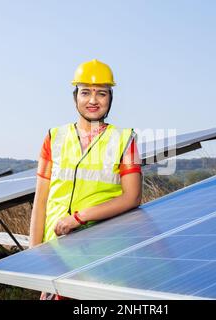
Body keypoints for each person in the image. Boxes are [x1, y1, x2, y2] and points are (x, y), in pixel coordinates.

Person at [28, 59, 142, 300]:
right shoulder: (53, 137)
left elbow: (132, 197)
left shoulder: (124, 139)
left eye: (101, 93)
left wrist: (79, 218)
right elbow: (41, 201)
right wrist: (34, 260)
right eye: (85, 92)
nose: (93, 100)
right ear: (75, 97)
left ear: (110, 98)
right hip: (56, 255)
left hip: (102, 255)